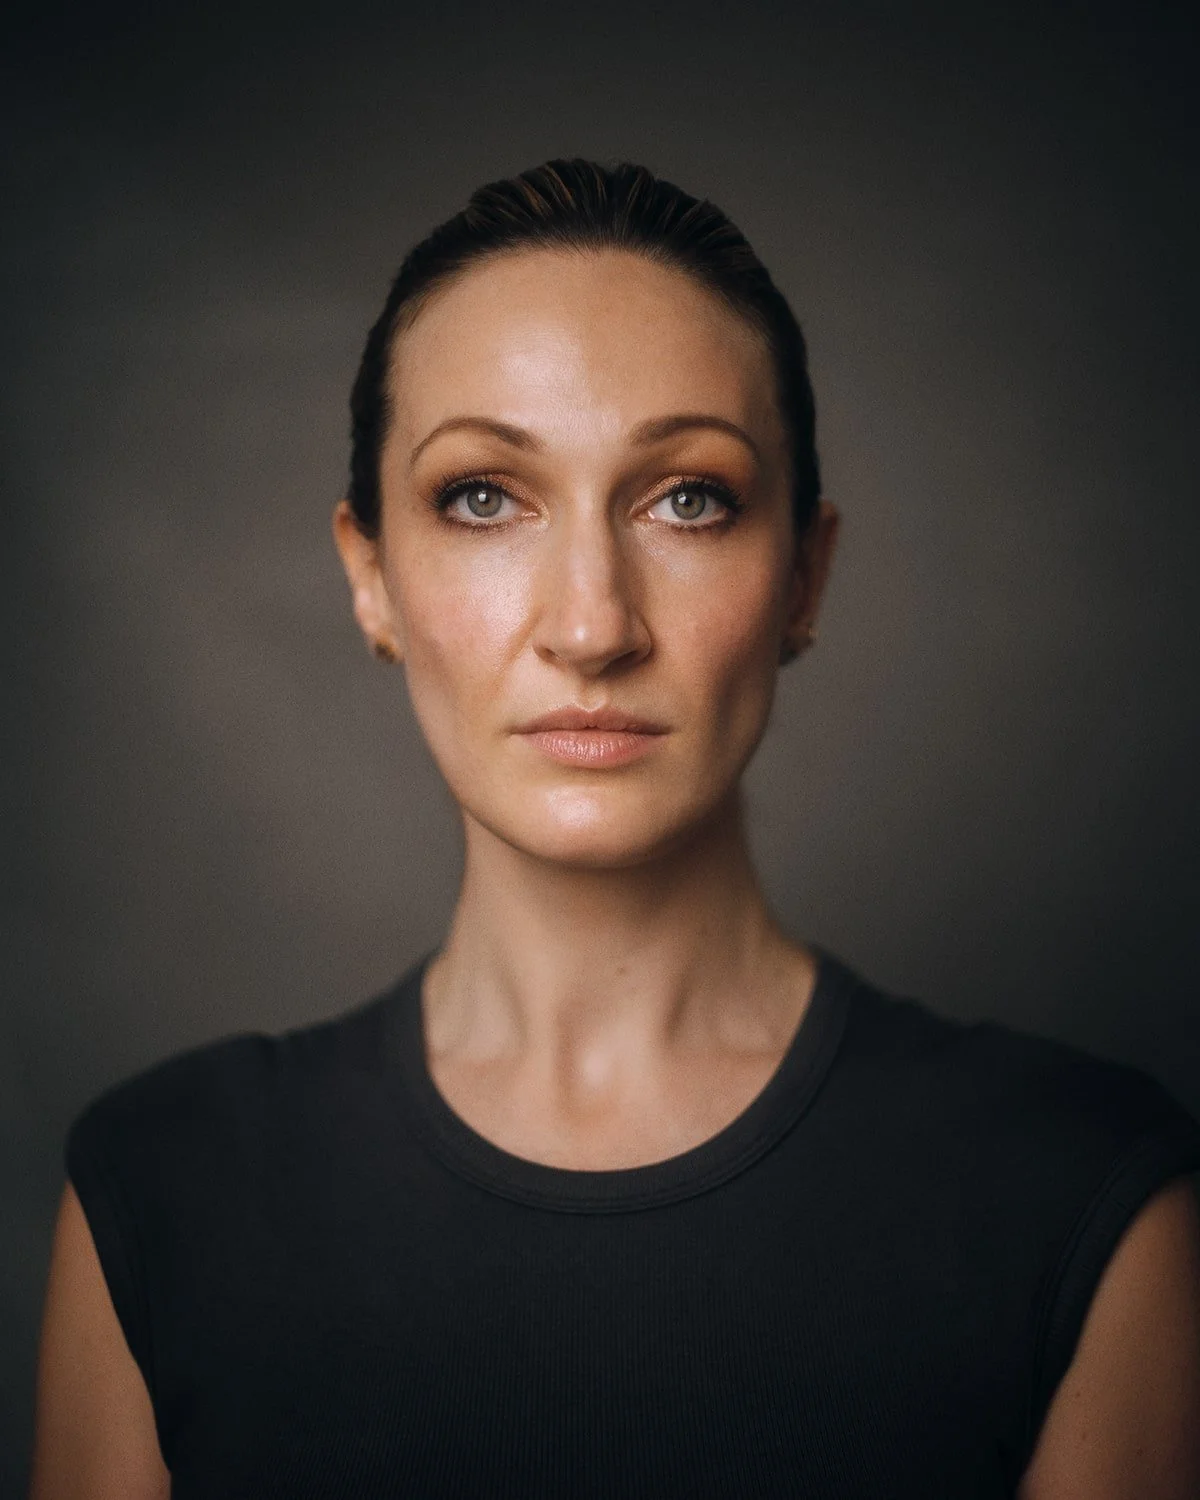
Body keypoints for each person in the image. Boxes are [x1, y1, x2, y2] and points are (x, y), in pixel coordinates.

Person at [28, 158, 1200, 1499]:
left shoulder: (1089, 1201)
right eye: (483, 496)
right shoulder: (160, 1191)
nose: (592, 626)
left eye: (689, 497)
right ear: (372, 577)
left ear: (804, 576)